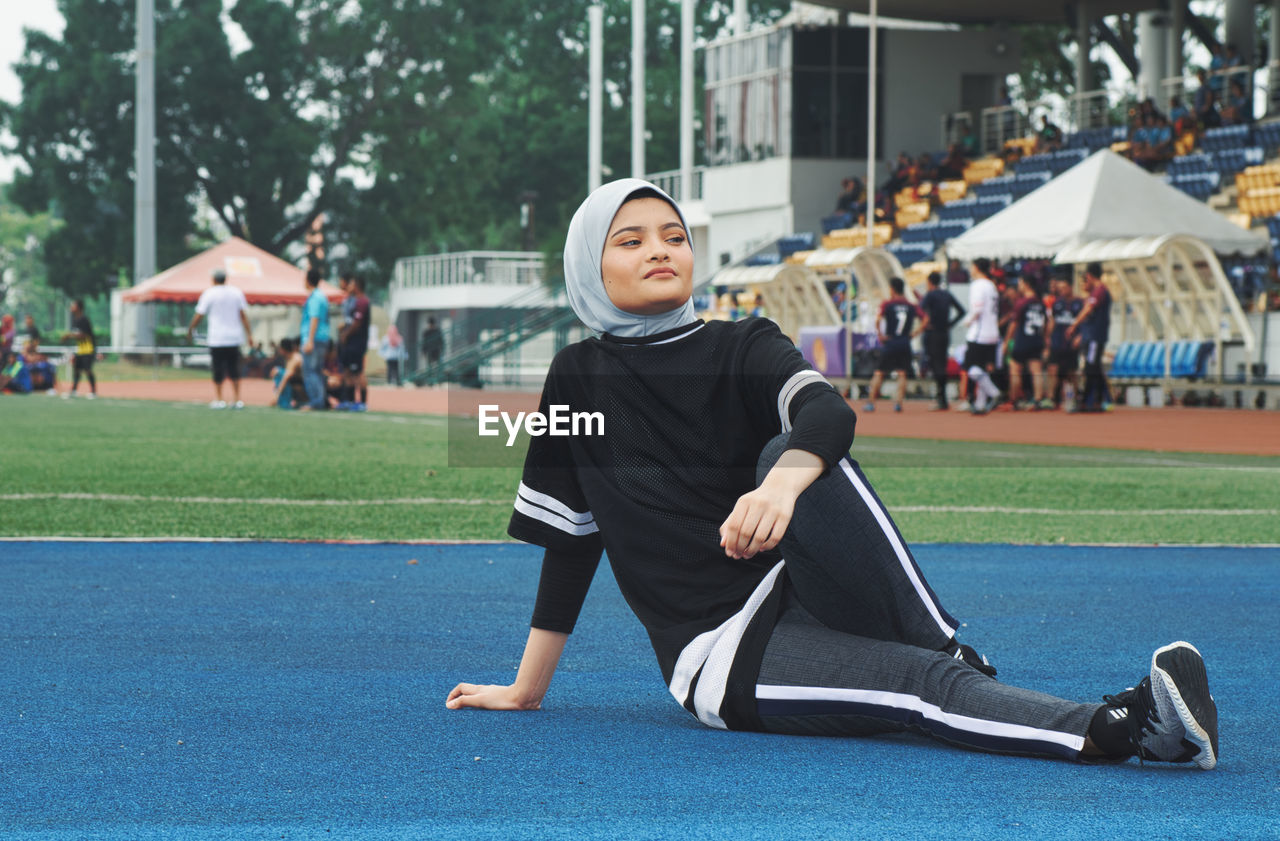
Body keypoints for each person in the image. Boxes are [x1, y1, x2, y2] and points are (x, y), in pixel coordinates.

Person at [445, 178, 1220, 772]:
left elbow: (827, 415)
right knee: (918, 686)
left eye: (674, 235)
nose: (659, 248)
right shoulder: (575, 377)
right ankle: (1127, 728)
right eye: (629, 240)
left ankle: (944, 645)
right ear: (590, 264)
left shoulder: (743, 342)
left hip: (811, 587)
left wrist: (781, 480)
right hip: (723, 652)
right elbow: (571, 539)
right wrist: (526, 687)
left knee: (797, 456)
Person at [188, 268, 253, 409]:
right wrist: (249, 335)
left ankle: (219, 399)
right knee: (234, 369)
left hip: (217, 338)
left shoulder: (209, 293)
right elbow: (243, 315)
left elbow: (199, 314)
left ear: (213, 279)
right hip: (234, 337)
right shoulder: (236, 292)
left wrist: (191, 329)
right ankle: (236, 400)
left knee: (218, 369)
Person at [863, 277, 924, 414]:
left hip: (890, 342)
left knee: (879, 372)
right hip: (904, 342)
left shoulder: (887, 304)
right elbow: (925, 318)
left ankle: (871, 402)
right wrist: (915, 333)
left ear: (892, 288)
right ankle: (898, 403)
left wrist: (880, 335)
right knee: (902, 373)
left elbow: (877, 319)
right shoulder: (910, 305)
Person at [1066, 262, 1113, 412]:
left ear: (1089, 276)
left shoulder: (1099, 291)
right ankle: (1099, 400)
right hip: (1093, 336)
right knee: (1094, 368)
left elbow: (1088, 310)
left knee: (1091, 367)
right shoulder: (1096, 292)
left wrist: (1074, 325)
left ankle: (1089, 401)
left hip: (1095, 336)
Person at [919, 271, 965, 410]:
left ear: (930, 282)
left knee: (935, 365)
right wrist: (949, 324)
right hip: (944, 333)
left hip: (933, 333)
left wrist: (927, 323)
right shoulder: (946, 294)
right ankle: (942, 398)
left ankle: (941, 399)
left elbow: (920, 310)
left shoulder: (930, 295)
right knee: (942, 364)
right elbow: (961, 311)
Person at [960, 258, 1002, 414]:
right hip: (992, 333)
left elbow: (977, 309)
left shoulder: (978, 285)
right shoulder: (991, 285)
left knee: (971, 369)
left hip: (979, 334)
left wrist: (967, 321)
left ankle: (994, 393)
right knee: (982, 369)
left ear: (976, 268)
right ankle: (980, 404)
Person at [1006, 274, 1051, 410]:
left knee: (1015, 369)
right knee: (1036, 371)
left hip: (1022, 341)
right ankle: (1038, 400)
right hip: (1036, 340)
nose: (1019, 286)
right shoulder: (1040, 302)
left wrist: (1007, 341)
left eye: (1020, 283)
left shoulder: (1021, 303)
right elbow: (1047, 323)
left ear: (1025, 284)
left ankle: (1014, 400)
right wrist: (1045, 339)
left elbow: (1014, 323)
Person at [1046, 276, 1083, 407]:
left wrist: (1080, 336)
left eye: (1063, 288)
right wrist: (1048, 338)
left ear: (1070, 287)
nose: (1061, 291)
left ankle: (1076, 397)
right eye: (1059, 288)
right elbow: (1052, 321)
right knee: (1052, 369)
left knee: (1071, 372)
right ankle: (1051, 398)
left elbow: (1084, 322)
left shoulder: (1080, 302)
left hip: (1071, 343)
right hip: (1057, 341)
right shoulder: (1057, 303)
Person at [337, 274, 371, 410]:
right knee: (348, 372)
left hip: (357, 343)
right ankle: (350, 401)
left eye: (351, 284)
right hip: (350, 343)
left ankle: (362, 402)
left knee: (358, 372)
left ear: (356, 285)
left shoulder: (362, 302)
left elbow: (357, 323)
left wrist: (346, 334)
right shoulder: (353, 301)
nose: (348, 287)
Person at [299, 268, 331, 410]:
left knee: (310, 371)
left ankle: (316, 402)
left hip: (314, 339)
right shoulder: (322, 297)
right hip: (322, 338)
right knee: (317, 371)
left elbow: (314, 319)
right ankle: (321, 400)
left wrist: (310, 340)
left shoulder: (315, 298)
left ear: (308, 280)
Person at [62, 299, 97, 399]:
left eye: (73, 305)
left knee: (88, 370)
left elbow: (84, 334)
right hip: (80, 349)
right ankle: (74, 390)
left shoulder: (84, 319)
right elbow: (77, 334)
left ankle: (94, 392)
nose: (71, 307)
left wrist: (70, 336)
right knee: (76, 370)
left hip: (88, 348)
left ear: (79, 307)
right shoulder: (75, 320)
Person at [269, 337, 307, 409]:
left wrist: (276, 396)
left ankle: (285, 402)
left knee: (280, 373)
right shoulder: (289, 358)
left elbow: (286, 377)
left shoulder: (295, 358)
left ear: (283, 349)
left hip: (305, 389)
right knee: (279, 371)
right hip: (300, 387)